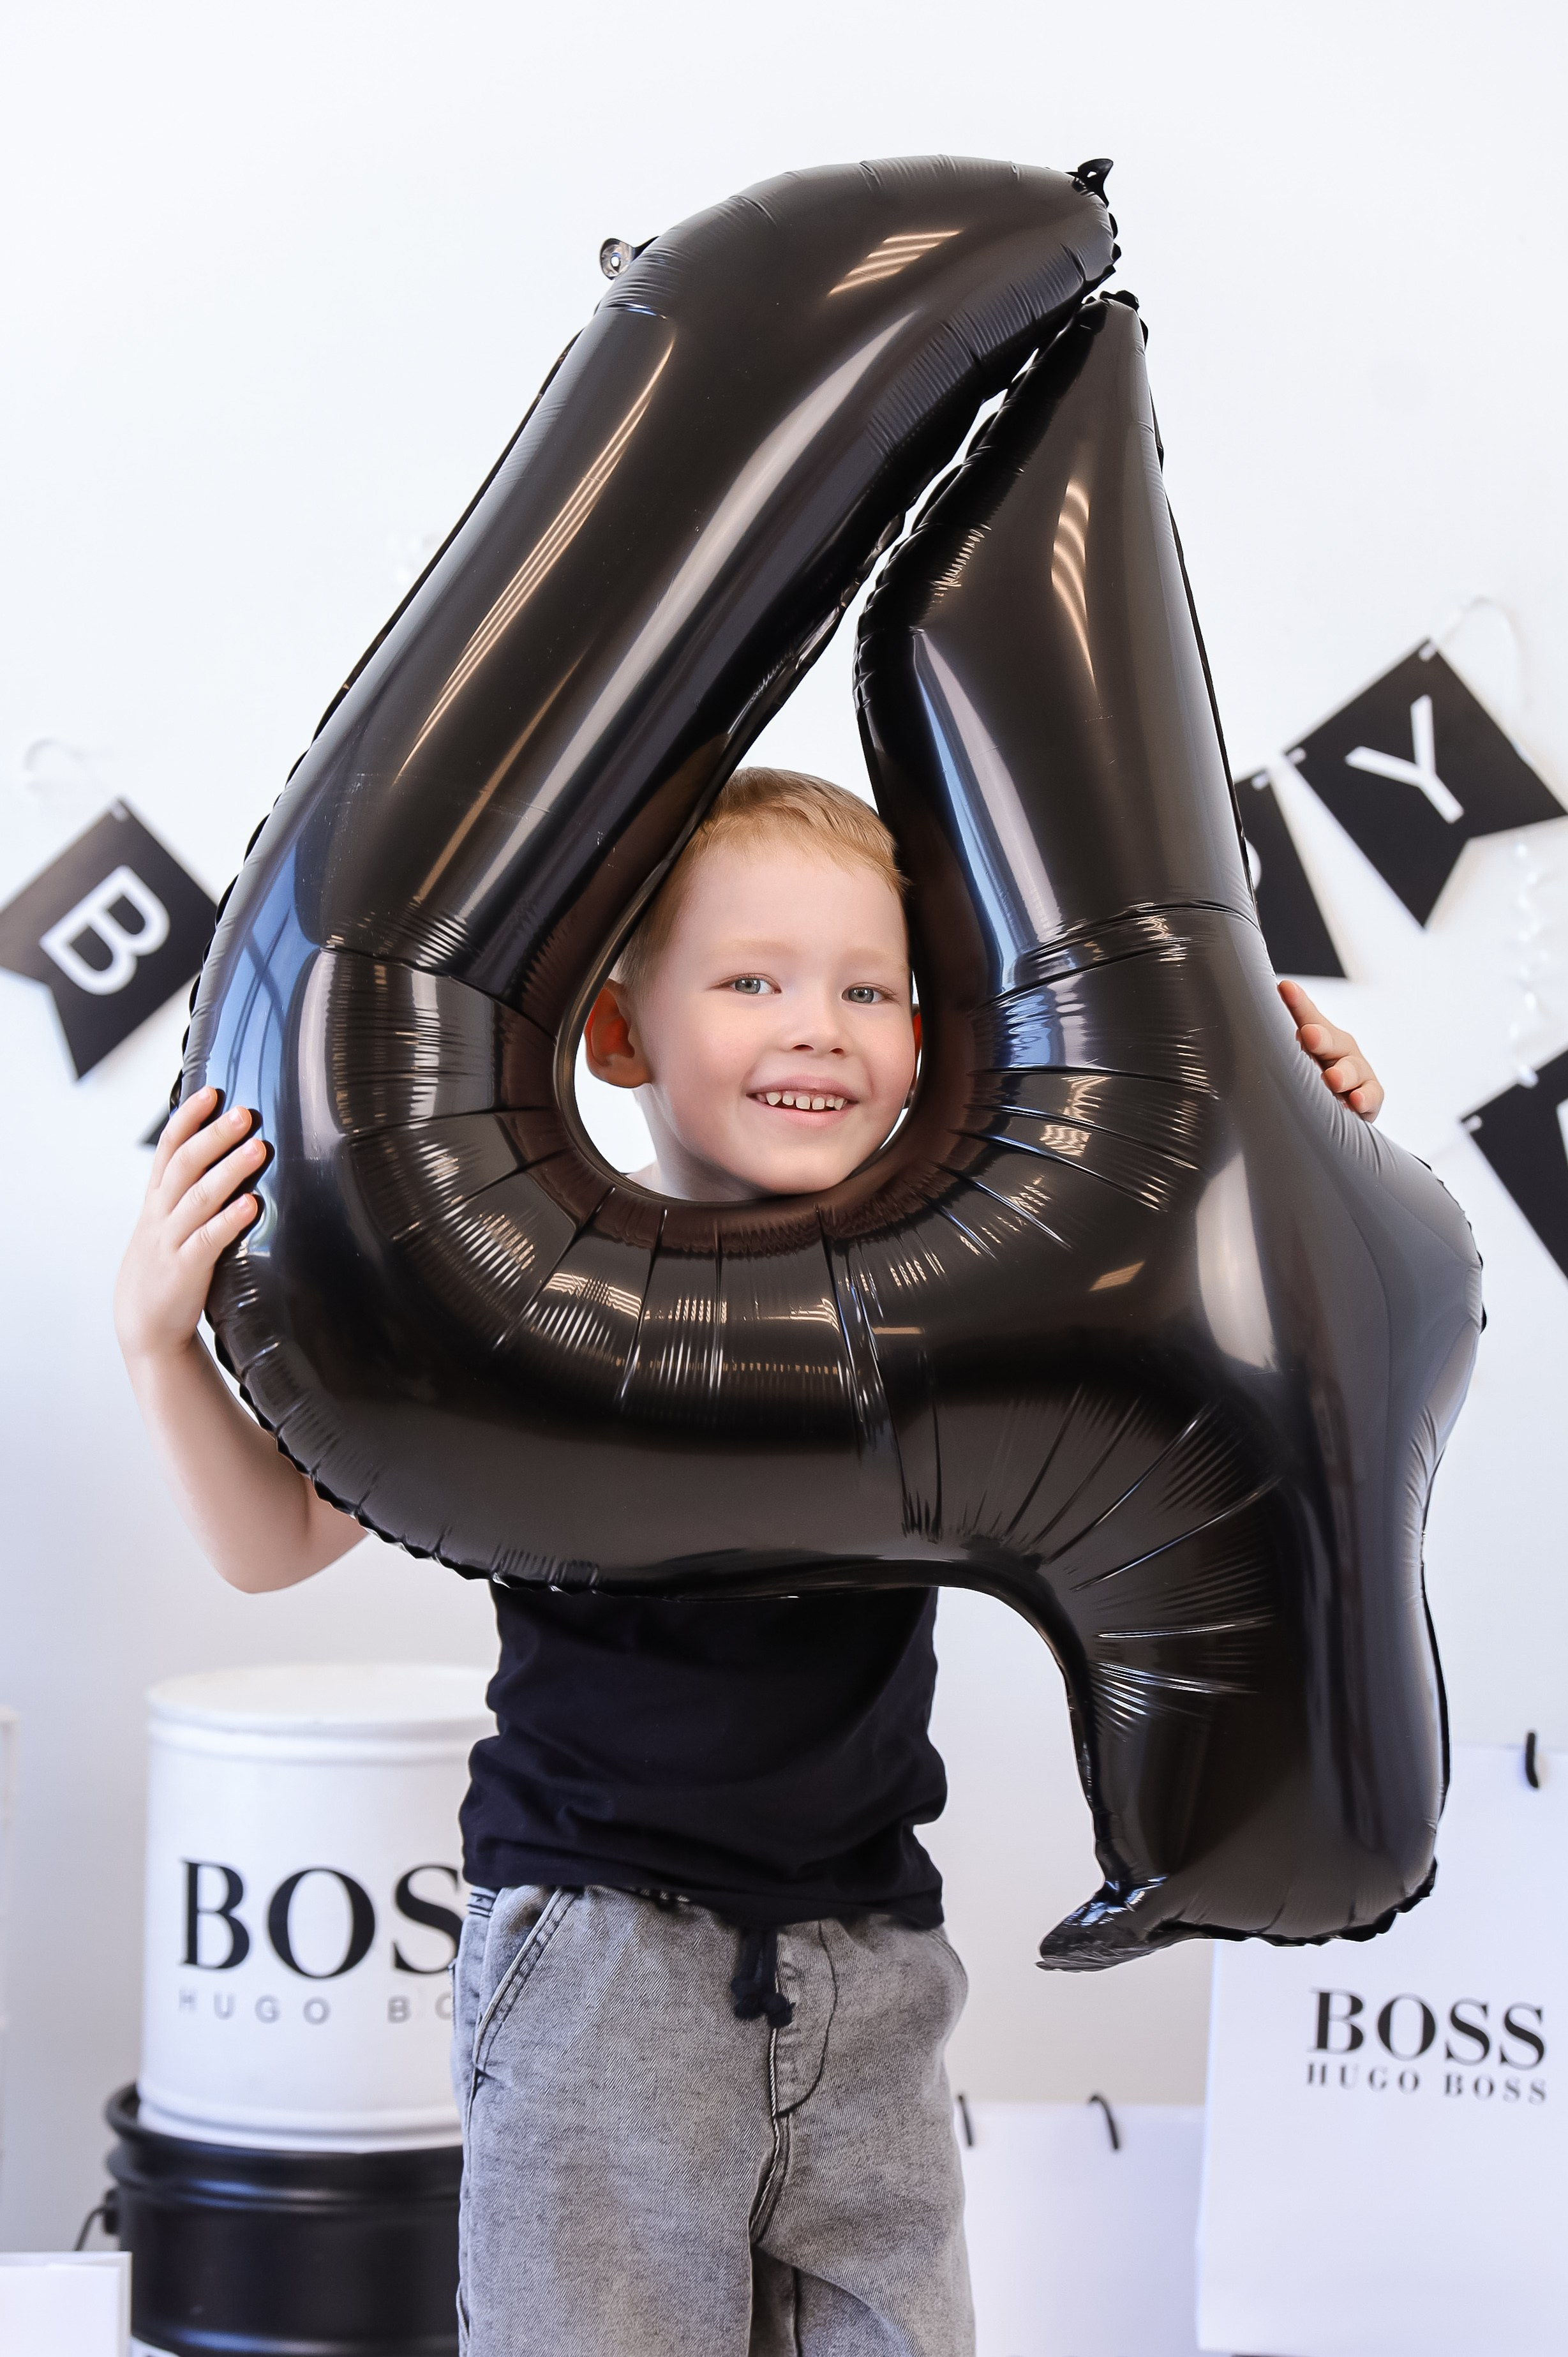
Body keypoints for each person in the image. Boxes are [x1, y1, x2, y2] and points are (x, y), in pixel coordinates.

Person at [116, 767, 1385, 2357]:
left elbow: (1205, 1331)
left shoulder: (961, 1296)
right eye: (752, 980)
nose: (819, 1026)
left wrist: (1293, 1117)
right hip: (599, 1964)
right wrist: (163, 1349)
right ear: (619, 1032)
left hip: (871, 1957)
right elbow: (278, 1542)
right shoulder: (531, 1305)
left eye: (872, 987)